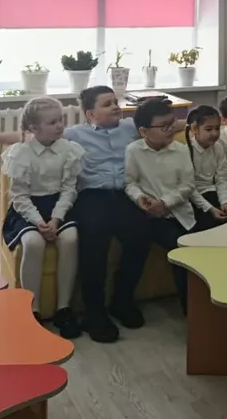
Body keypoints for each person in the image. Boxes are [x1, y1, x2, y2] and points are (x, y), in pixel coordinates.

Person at [64, 86, 151, 344]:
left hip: (125, 193)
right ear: (90, 114)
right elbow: (40, 134)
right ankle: (94, 312)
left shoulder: (130, 127)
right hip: (92, 195)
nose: (115, 107)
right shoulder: (74, 134)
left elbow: (166, 124)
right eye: (107, 104)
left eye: (115, 102)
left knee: (141, 234)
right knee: (94, 239)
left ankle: (122, 300)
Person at [0, 97, 83, 338]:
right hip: (28, 209)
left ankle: (63, 308)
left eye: (61, 120)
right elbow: (19, 197)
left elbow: (69, 190)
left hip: (58, 206)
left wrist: (56, 219)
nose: (59, 126)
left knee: (70, 238)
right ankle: (32, 308)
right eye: (52, 122)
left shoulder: (69, 150)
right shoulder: (21, 153)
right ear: (34, 128)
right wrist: (38, 222)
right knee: (34, 242)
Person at [124, 98, 196, 312]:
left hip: (181, 212)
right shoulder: (134, 151)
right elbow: (130, 183)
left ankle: (200, 305)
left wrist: (165, 202)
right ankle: (190, 310)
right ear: (144, 132)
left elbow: (188, 185)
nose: (171, 129)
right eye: (164, 126)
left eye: (172, 123)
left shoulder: (181, 150)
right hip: (152, 217)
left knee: (200, 247)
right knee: (179, 248)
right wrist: (140, 199)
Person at [183, 105, 227, 230]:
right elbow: (189, 189)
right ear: (195, 129)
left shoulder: (218, 148)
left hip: (214, 192)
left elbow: (221, 178)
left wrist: (225, 202)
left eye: (217, 128)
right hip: (196, 199)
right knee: (210, 223)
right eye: (208, 129)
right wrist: (210, 208)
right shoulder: (185, 152)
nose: (215, 133)